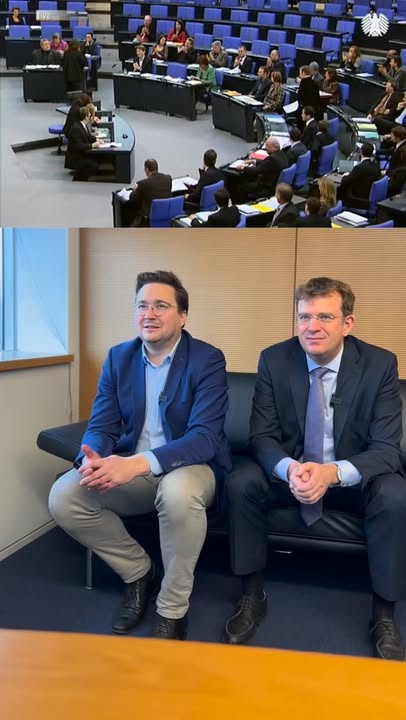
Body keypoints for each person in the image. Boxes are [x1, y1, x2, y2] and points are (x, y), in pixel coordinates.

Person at [224, 276, 406, 661]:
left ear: (347, 323)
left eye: (325, 317)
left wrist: (332, 473)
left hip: (352, 478)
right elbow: (262, 436)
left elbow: (387, 449)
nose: (312, 327)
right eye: (304, 317)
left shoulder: (379, 365)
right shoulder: (275, 359)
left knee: (394, 493)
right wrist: (291, 469)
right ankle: (251, 593)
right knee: (242, 481)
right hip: (294, 476)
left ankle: (384, 612)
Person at [49, 270, 231, 642]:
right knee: (64, 496)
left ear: (182, 315)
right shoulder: (119, 357)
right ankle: (139, 573)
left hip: (191, 467)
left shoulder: (207, 359)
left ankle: (172, 609)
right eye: (142, 305)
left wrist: (134, 464)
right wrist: (92, 459)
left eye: (161, 306)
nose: (149, 314)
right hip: (133, 469)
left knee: (177, 492)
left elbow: (204, 438)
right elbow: (102, 425)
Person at [235, 136, 288, 202]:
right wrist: (253, 161)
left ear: (273, 147)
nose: (265, 148)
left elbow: (257, 170)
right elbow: (266, 164)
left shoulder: (272, 159)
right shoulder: (281, 154)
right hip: (275, 184)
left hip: (267, 187)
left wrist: (243, 168)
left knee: (240, 187)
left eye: (267, 145)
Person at [127, 159, 172, 227]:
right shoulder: (168, 178)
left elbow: (133, 199)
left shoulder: (143, 184)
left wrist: (134, 190)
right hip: (166, 217)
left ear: (147, 170)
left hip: (148, 219)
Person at [337, 142, 381, 209]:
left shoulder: (359, 168)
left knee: (340, 189)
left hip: (358, 200)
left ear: (361, 152)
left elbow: (345, 181)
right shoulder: (376, 166)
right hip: (368, 197)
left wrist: (345, 176)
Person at [66, 106, 103, 181]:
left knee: (99, 159)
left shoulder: (82, 125)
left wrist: (96, 139)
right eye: (89, 115)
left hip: (82, 153)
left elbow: (88, 136)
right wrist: (92, 145)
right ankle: (79, 178)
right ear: (86, 117)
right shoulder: (76, 128)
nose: (90, 117)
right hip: (76, 157)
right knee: (94, 166)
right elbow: (79, 146)